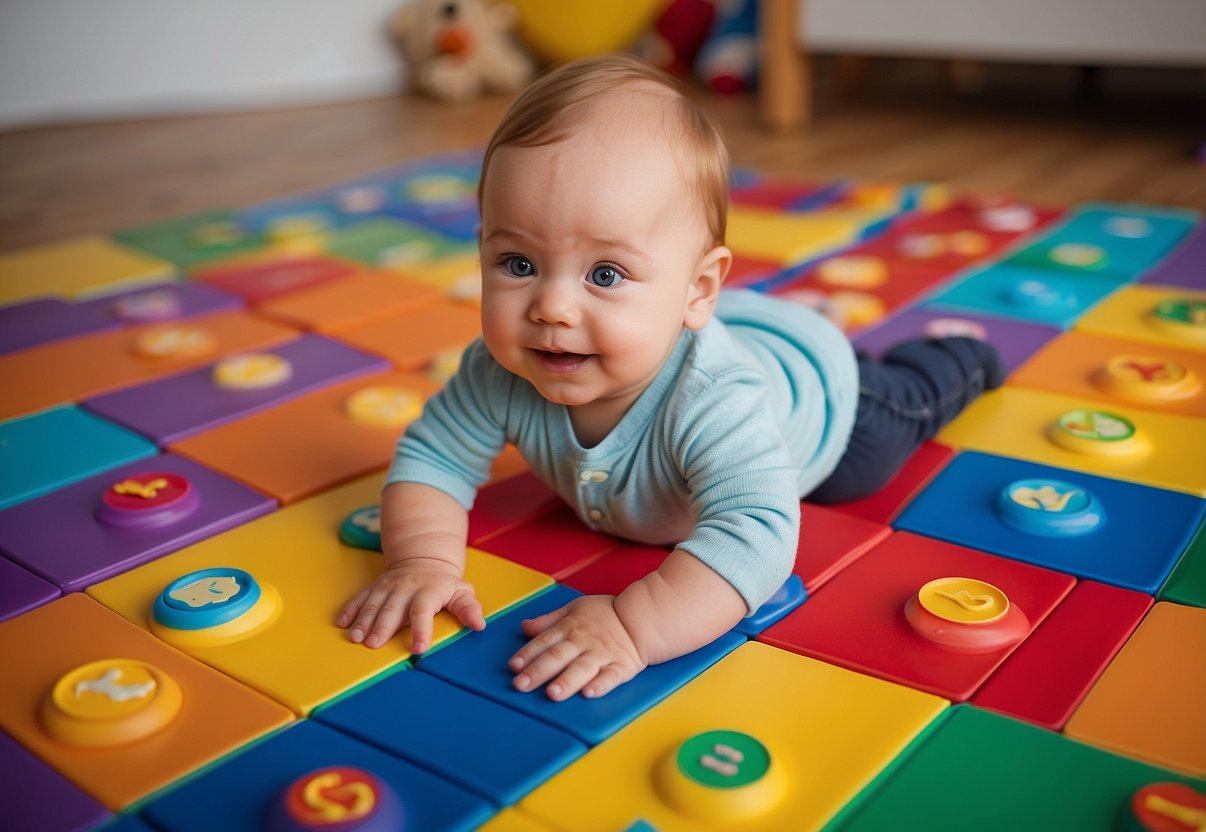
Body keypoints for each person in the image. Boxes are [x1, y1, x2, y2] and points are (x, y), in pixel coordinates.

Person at [337, 53, 1005, 701]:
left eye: (604, 275)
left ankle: (958, 356)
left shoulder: (712, 402)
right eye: (516, 264)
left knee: (885, 438)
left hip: (829, 402)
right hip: (729, 327)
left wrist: (635, 626)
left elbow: (755, 532)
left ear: (697, 288)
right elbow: (431, 459)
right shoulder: (499, 370)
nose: (551, 307)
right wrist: (421, 561)